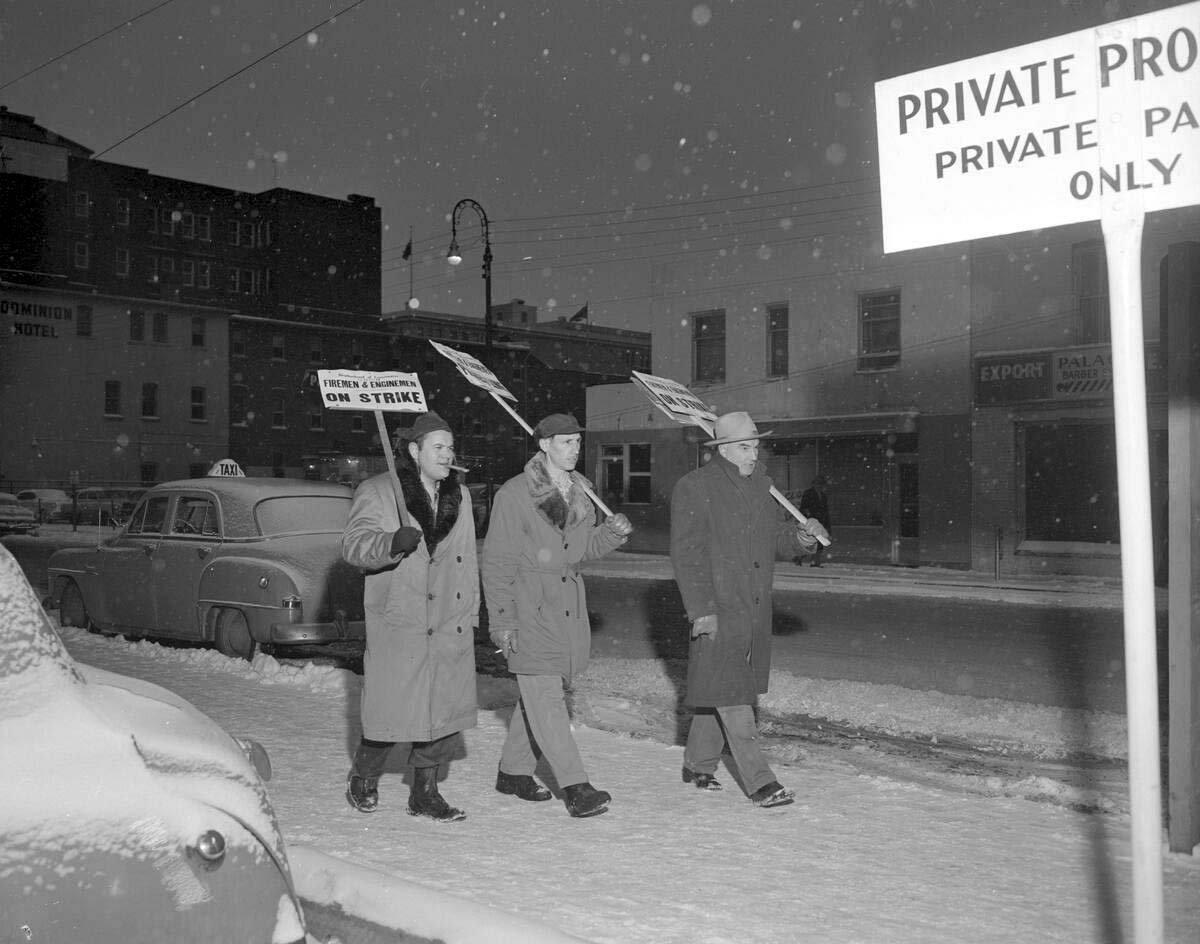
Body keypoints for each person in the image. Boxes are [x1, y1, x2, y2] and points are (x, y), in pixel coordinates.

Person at [670, 411, 828, 808]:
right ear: (722, 448)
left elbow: (774, 539)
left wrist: (802, 537)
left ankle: (698, 764)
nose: (753, 453)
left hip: (754, 606)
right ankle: (761, 782)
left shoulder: (764, 487)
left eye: (756, 445)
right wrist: (701, 609)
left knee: (721, 686)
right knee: (734, 694)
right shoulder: (695, 487)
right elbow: (686, 555)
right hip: (718, 607)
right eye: (744, 446)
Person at [482, 413, 634, 818]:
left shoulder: (582, 491)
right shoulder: (515, 494)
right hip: (529, 607)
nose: (574, 449)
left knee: (540, 695)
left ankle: (513, 772)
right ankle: (576, 785)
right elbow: (497, 562)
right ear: (544, 445)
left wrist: (612, 534)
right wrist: (502, 620)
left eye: (577, 442)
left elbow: (580, 552)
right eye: (565, 442)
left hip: (567, 609)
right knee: (547, 699)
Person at [341, 411, 478, 823]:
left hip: (447, 618)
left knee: (441, 714)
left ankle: (425, 793)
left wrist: (470, 613)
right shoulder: (380, 491)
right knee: (391, 712)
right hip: (401, 619)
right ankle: (363, 777)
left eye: (451, 447)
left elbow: (468, 558)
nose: (448, 454)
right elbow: (353, 547)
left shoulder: (461, 496)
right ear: (415, 451)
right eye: (438, 446)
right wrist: (390, 543)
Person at [798, 475, 831, 567]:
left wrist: (827, 524)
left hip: (821, 521)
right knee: (810, 542)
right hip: (811, 521)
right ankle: (800, 557)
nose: (819, 485)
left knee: (819, 543)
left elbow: (825, 511)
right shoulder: (808, 493)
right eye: (817, 483)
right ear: (813, 484)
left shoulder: (823, 496)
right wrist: (806, 518)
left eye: (821, 484)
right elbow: (803, 507)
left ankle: (815, 561)